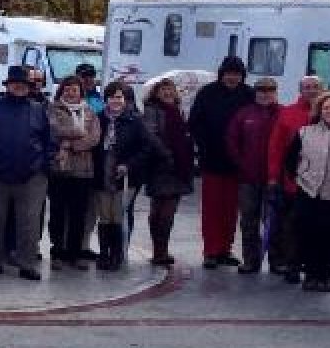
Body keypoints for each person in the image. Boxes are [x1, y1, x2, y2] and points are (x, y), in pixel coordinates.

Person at [0, 66, 56, 281]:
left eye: (24, 84)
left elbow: (49, 141)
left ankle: (27, 264)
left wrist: (44, 166)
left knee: (29, 223)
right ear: (8, 85)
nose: (19, 87)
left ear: (29, 87)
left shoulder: (39, 109)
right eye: (15, 83)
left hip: (32, 177)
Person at [188, 55, 254, 268]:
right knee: (212, 208)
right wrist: (204, 147)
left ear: (242, 76)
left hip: (238, 163)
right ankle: (211, 250)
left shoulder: (248, 95)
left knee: (231, 209)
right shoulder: (207, 93)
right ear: (222, 74)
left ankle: (225, 249)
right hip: (212, 160)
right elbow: (195, 123)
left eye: (236, 74)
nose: (232, 77)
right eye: (229, 73)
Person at [287, 91, 330, 293]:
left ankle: (324, 277)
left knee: (327, 236)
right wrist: (300, 175)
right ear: (319, 110)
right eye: (326, 108)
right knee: (307, 233)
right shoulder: (305, 132)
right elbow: (289, 160)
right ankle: (310, 275)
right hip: (307, 190)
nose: (329, 111)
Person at [97, 81, 162, 270]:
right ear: (106, 99)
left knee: (118, 215)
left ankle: (117, 254)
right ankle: (104, 253)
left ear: (125, 100)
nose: (115, 101)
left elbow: (147, 147)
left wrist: (129, 165)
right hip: (103, 175)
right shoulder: (99, 119)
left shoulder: (135, 121)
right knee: (105, 216)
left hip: (125, 177)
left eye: (119, 97)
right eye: (111, 97)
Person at [266, 75, 323, 282]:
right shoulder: (287, 113)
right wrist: (273, 177)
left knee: (315, 226)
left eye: (315, 87)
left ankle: (310, 263)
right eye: (307, 87)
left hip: (321, 183)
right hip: (292, 181)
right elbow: (275, 148)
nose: (311, 91)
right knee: (289, 225)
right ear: (300, 90)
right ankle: (288, 263)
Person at [225, 76, 281, 274]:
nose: (265, 94)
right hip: (248, 179)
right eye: (261, 91)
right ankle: (251, 260)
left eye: (269, 90)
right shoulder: (244, 114)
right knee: (248, 221)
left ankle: (276, 261)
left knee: (273, 221)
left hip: (275, 179)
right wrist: (241, 165)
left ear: (275, 92)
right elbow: (231, 141)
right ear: (255, 93)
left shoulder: (283, 113)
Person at [47, 76, 101, 271]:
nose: (71, 92)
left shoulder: (90, 112)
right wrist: (78, 132)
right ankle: (57, 252)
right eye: (67, 89)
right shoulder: (53, 109)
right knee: (58, 213)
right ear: (62, 91)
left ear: (81, 92)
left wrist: (70, 145)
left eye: (75, 89)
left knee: (79, 213)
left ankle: (75, 253)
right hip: (60, 169)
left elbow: (94, 138)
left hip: (83, 171)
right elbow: (54, 129)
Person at [138, 78, 193, 266]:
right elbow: (149, 135)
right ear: (156, 92)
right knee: (158, 212)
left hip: (178, 168)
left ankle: (162, 250)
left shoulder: (178, 110)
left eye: (170, 89)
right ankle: (158, 251)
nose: (167, 93)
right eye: (163, 89)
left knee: (168, 212)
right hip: (159, 166)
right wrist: (166, 154)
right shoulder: (152, 110)